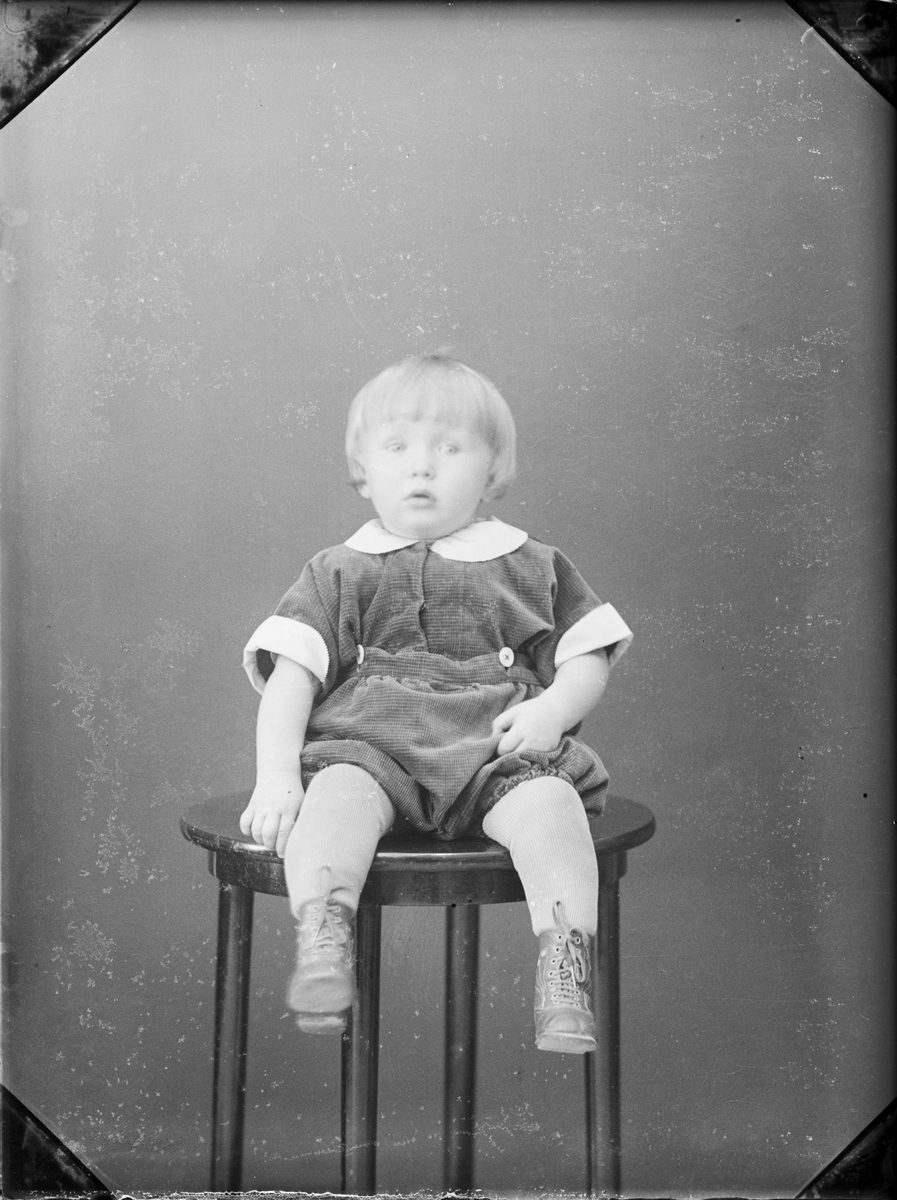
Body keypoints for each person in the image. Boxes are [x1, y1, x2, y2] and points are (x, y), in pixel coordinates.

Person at [240, 354, 632, 1054]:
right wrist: (275, 778)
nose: (422, 466)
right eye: (397, 447)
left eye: (449, 449)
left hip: (495, 752)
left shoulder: (531, 563)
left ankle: (565, 958)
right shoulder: (339, 569)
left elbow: (586, 654)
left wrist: (551, 712)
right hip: (371, 749)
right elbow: (292, 680)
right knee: (331, 800)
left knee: (552, 808)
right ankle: (325, 934)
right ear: (363, 468)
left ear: (492, 469)